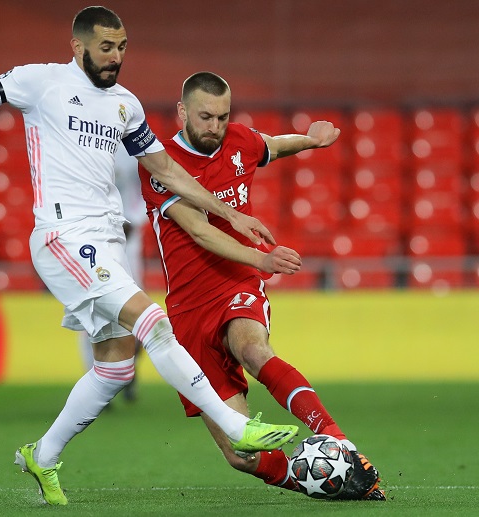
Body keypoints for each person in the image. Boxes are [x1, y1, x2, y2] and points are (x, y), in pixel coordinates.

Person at [0, 7, 299, 506]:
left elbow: (166, 171)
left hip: (107, 241)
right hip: (62, 236)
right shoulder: (41, 83)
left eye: (121, 47)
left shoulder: (126, 106)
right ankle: (235, 425)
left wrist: (229, 213)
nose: (116, 57)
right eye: (106, 47)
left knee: (115, 369)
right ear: (78, 47)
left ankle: (43, 455)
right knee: (154, 324)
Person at [137, 71, 385, 500]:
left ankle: (341, 443)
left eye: (222, 116)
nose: (215, 127)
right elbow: (198, 231)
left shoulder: (237, 139)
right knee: (240, 454)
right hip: (188, 310)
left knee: (252, 349)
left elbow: (270, 145)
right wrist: (263, 258)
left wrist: (308, 139)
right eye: (205, 117)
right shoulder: (161, 165)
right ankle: (327, 484)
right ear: (182, 113)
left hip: (237, 284)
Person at [79, 144, 144, 402]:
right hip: (91, 237)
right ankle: (95, 380)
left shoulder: (133, 145)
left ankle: (128, 371)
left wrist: (134, 222)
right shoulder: (81, 139)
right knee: (92, 310)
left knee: (134, 311)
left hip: (127, 239)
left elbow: (145, 190)